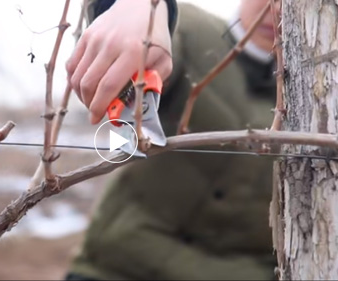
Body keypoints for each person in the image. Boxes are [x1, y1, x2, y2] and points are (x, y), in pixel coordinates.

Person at [65, 0, 278, 279]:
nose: (276, 9)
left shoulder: (316, 100)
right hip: (116, 269)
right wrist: (143, 9)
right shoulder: (191, 31)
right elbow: (150, 45)